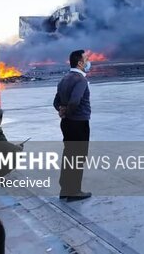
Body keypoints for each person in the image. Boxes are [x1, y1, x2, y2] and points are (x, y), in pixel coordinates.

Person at [53, 49, 92, 201]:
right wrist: (68, 111)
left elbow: (56, 102)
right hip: (79, 123)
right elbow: (75, 101)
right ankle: (74, 191)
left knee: (69, 155)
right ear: (80, 63)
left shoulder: (64, 79)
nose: (89, 61)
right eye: (86, 59)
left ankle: (65, 189)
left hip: (67, 124)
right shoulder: (80, 80)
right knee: (78, 157)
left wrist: (62, 111)